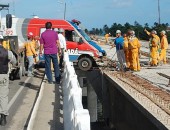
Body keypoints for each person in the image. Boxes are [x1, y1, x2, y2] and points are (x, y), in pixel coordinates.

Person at [0, 35, 16, 126]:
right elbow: (14, 61)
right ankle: (3, 118)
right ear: (2, 42)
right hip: (3, 76)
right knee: (3, 97)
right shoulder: (7, 52)